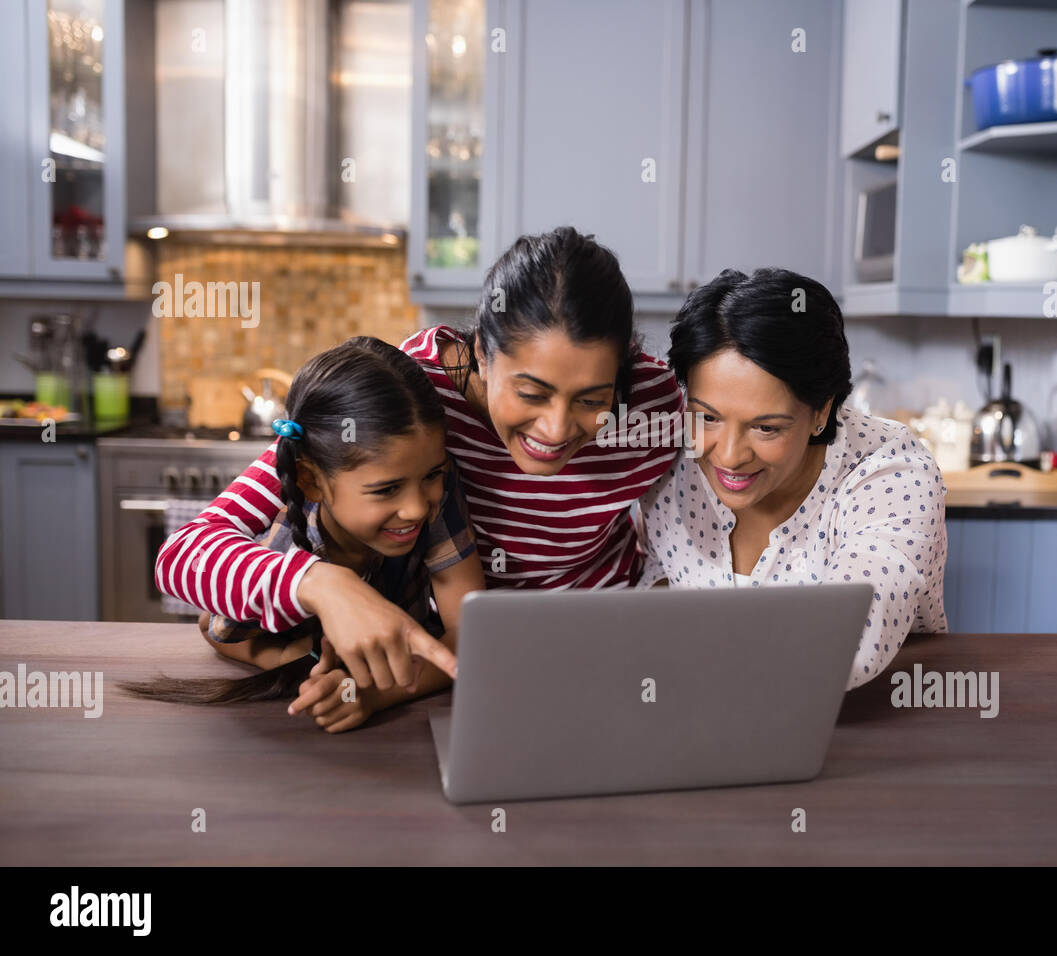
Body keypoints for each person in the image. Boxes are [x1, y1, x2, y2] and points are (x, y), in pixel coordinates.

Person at [154, 227, 684, 689]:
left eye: (591, 400)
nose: (556, 428)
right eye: (530, 393)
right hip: (452, 664)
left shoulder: (658, 408)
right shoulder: (412, 395)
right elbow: (183, 557)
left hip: (608, 650)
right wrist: (317, 582)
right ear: (481, 353)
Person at [124, 337, 483, 732]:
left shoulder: (439, 491)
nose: (417, 508)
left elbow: (468, 635)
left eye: (432, 475)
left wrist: (370, 691)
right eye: (385, 490)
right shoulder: (284, 512)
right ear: (310, 480)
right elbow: (194, 587)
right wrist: (321, 586)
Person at [635, 268, 949, 689]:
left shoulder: (891, 473)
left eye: (766, 428)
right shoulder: (665, 452)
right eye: (707, 416)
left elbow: (849, 630)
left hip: (860, 723)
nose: (728, 455)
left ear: (822, 411)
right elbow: (653, 582)